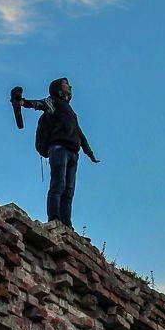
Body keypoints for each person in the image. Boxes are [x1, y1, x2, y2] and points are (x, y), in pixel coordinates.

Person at [24, 77, 100, 228]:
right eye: (66, 84)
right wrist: (22, 102)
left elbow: (79, 133)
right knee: (58, 184)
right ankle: (55, 218)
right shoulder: (53, 102)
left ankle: (66, 224)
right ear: (58, 88)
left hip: (73, 152)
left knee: (69, 190)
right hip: (58, 148)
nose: (70, 86)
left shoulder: (70, 111)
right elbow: (39, 104)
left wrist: (89, 152)